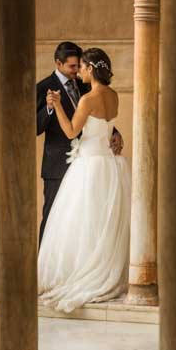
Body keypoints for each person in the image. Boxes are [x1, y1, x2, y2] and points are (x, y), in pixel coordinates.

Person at [37, 47, 131, 313]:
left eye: (83, 67)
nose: (80, 72)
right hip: (110, 165)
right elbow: (106, 127)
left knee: (81, 222)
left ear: (90, 68)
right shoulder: (113, 95)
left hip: (89, 166)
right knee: (101, 224)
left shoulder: (88, 98)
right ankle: (101, 269)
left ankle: (81, 272)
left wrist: (56, 105)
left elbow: (70, 131)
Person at [35, 41, 122, 244]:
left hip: (88, 164)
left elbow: (96, 118)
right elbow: (35, 127)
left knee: (85, 222)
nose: (76, 71)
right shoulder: (44, 87)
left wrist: (114, 132)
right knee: (52, 219)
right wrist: (50, 108)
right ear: (58, 63)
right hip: (58, 164)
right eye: (72, 66)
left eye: (79, 66)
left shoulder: (86, 86)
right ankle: (43, 267)